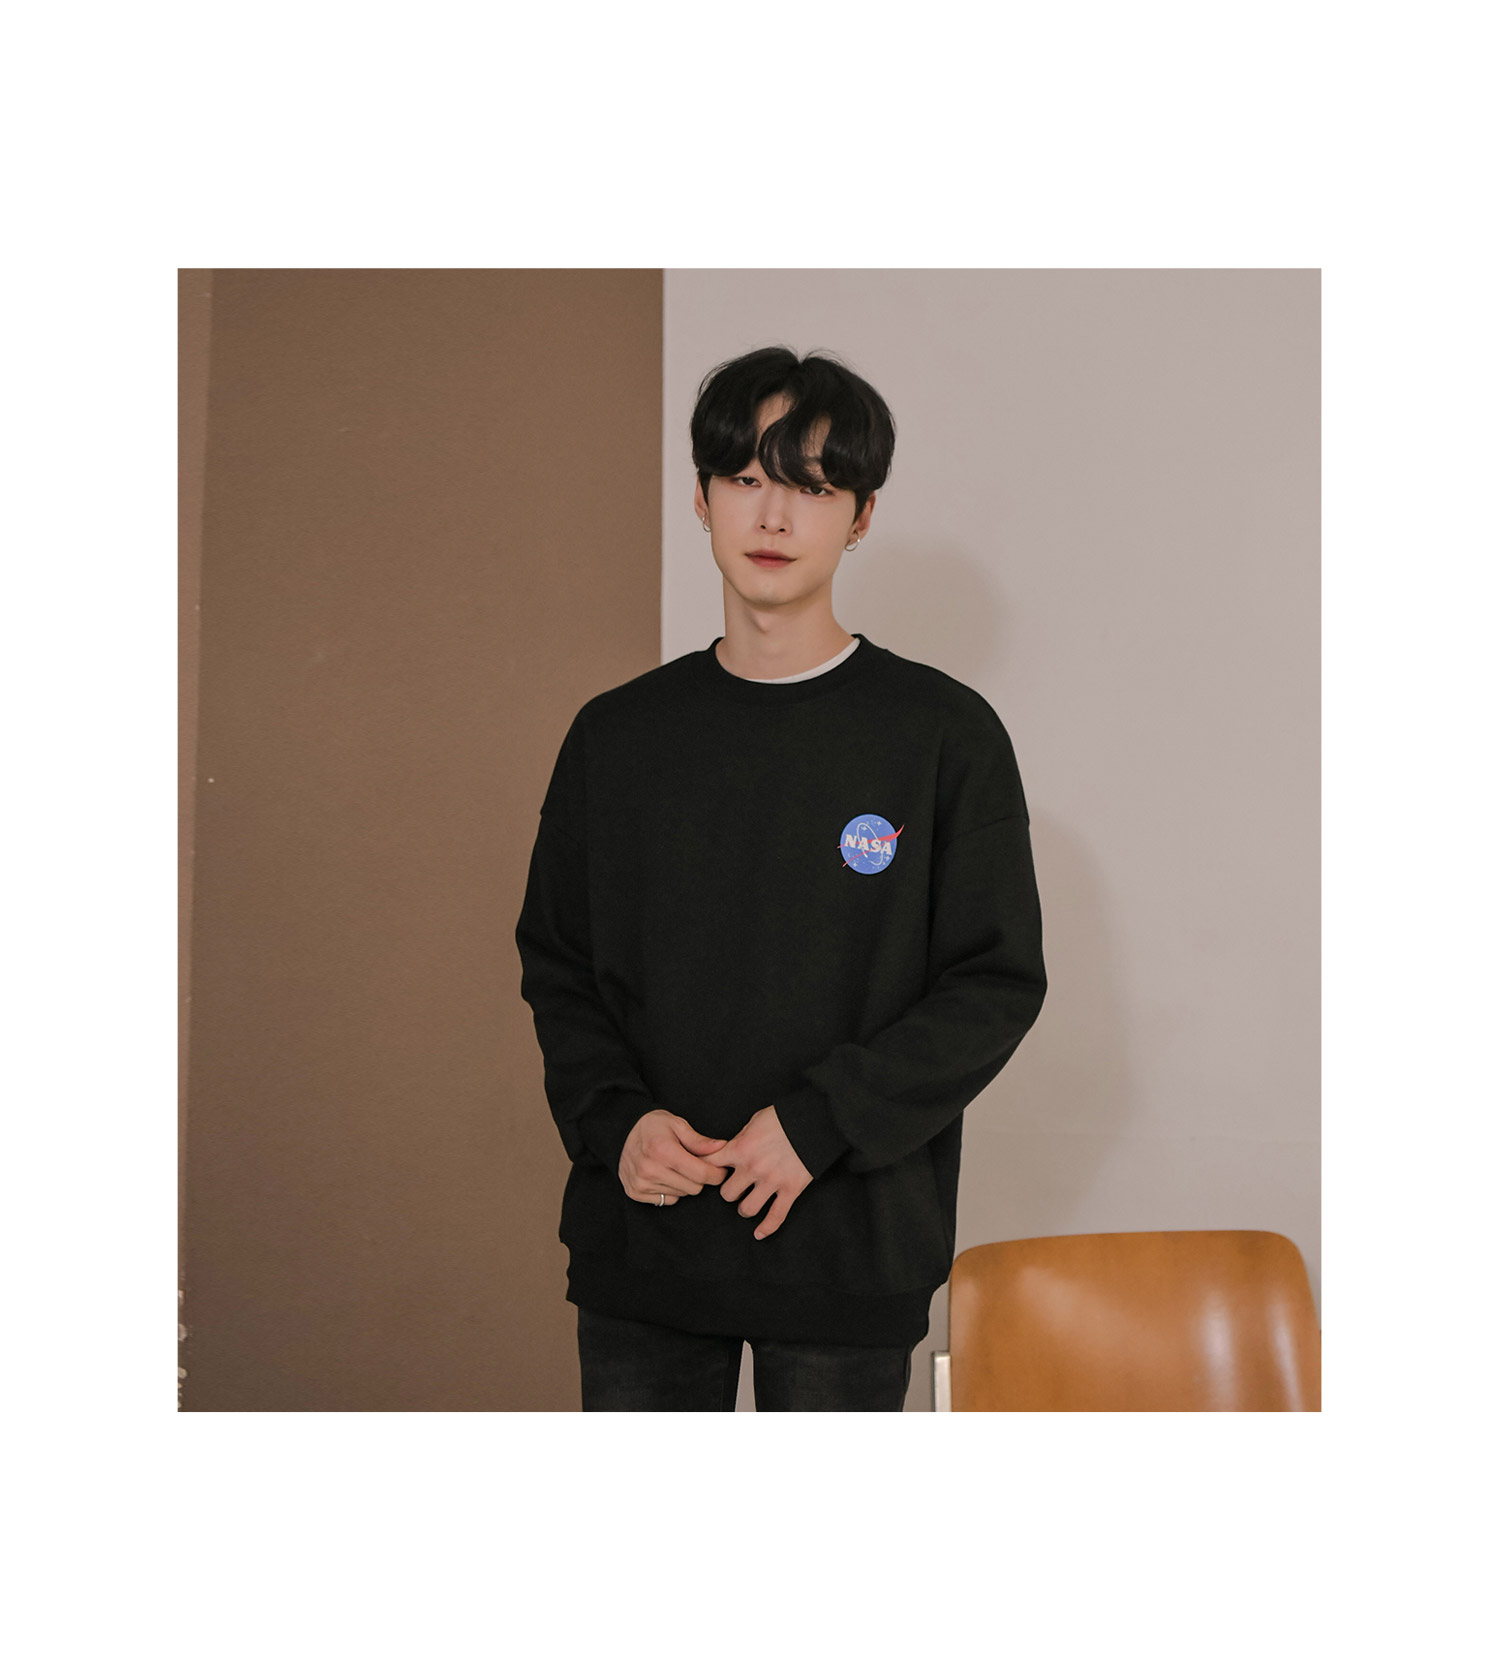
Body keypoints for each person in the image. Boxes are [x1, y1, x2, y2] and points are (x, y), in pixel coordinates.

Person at [514, 344, 1048, 1410]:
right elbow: (558, 962)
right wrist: (616, 1122)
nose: (771, 516)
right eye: (746, 479)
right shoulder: (617, 738)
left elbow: (994, 983)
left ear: (861, 516)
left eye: (810, 487)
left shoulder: (943, 735)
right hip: (647, 1239)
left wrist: (819, 1123)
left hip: (851, 1240)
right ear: (701, 498)